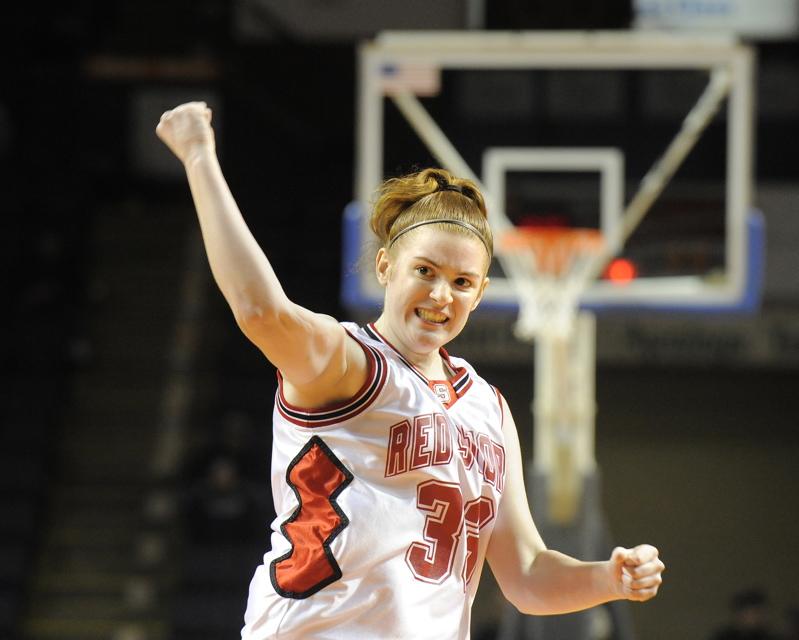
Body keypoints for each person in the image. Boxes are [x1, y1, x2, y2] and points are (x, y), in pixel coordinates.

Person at [156, 101, 664, 640]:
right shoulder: (350, 362)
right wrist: (198, 155)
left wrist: (606, 579)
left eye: (463, 282)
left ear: (481, 293)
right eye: (425, 271)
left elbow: (528, 575)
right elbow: (261, 311)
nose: (441, 295)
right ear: (384, 267)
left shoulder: (488, 408)